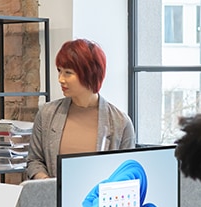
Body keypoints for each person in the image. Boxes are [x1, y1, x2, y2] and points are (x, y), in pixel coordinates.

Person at [26, 39, 135, 180]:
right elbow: (34, 161)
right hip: (54, 200)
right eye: (59, 71)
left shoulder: (120, 123)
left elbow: (126, 173)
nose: (60, 79)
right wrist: (47, 183)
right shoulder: (47, 114)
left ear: (89, 74)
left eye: (68, 73)